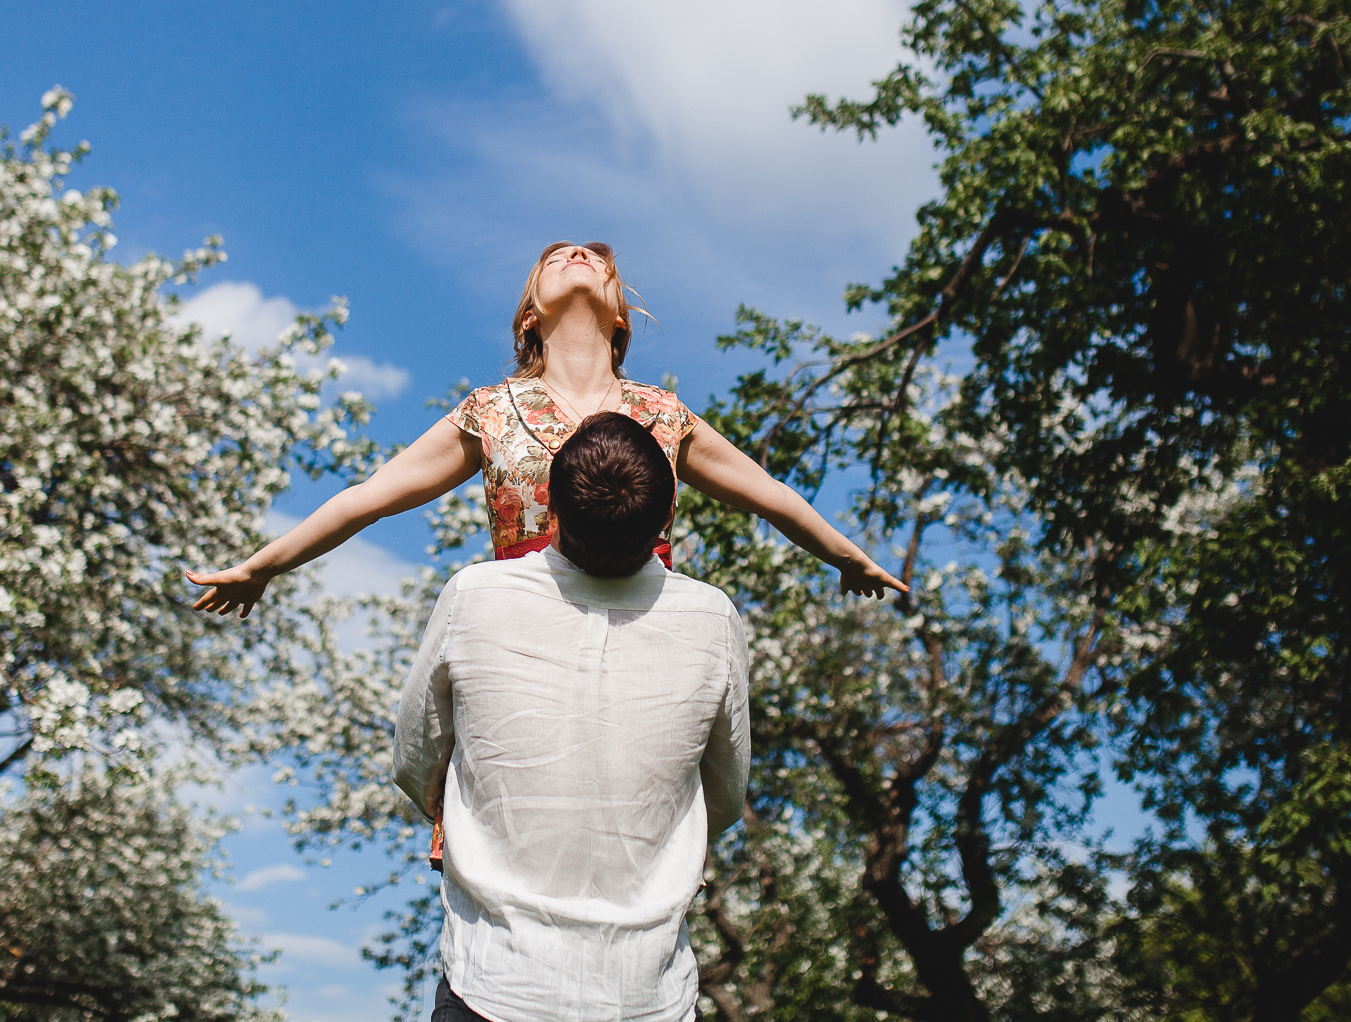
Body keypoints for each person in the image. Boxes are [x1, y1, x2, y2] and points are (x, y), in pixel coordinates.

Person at [186, 240, 906, 616]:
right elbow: (368, 496)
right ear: (529, 313)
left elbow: (771, 494)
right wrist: (262, 566)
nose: (578, 254)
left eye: (598, 259)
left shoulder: (665, 414)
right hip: (523, 622)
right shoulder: (490, 410)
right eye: (555, 256)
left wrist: (846, 556)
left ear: (621, 313)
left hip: (642, 622)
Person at [394, 412, 750, 1021]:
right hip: (649, 995)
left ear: (548, 507)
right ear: (665, 518)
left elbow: (415, 763)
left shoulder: (473, 599)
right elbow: (723, 797)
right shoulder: (713, 619)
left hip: (494, 985)